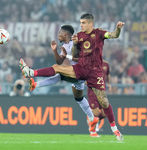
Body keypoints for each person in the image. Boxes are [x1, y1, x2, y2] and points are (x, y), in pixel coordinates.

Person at [20, 13, 124, 141]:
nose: (81, 25)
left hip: (95, 73)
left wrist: (118, 28)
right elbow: (75, 54)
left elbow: (114, 35)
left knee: (104, 102)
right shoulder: (78, 36)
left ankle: (115, 130)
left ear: (90, 23)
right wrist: (75, 44)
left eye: (83, 23)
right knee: (59, 72)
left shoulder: (99, 33)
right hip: (80, 69)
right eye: (80, 23)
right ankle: (31, 73)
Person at [28, 25, 99, 136]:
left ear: (66, 34)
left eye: (60, 32)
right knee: (79, 98)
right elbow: (60, 61)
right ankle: (92, 119)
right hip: (76, 74)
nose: (58, 35)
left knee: (57, 70)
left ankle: (32, 73)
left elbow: (84, 58)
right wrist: (55, 51)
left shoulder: (76, 43)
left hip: (82, 71)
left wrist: (68, 57)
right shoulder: (65, 45)